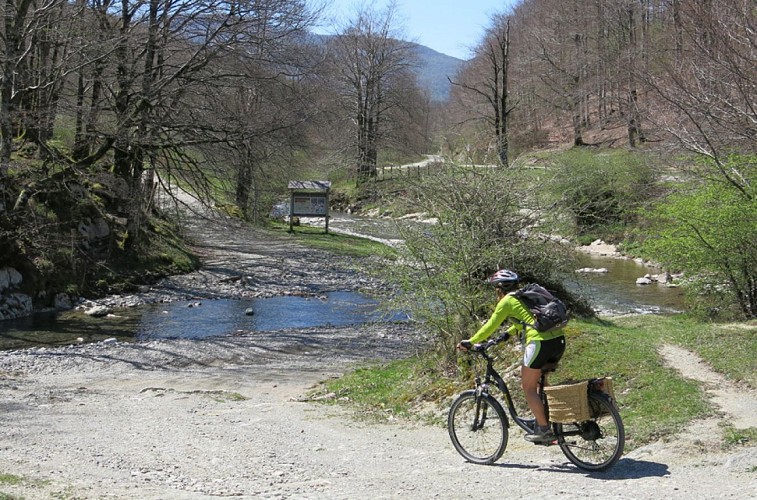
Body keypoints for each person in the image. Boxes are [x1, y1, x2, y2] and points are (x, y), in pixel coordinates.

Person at [456, 269, 566, 443]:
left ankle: (544, 430)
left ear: (499, 288)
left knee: (528, 387)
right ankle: (549, 420)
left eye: (495, 289)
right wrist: (506, 335)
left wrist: (471, 341)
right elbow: (529, 321)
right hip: (558, 341)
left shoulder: (507, 301)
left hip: (539, 343)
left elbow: (490, 325)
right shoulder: (524, 296)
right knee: (541, 384)